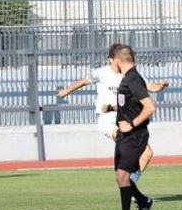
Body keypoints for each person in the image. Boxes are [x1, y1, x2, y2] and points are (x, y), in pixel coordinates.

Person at [57, 43, 168, 183]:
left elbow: (149, 86)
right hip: (107, 119)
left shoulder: (132, 75)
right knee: (122, 137)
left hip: (125, 119)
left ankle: (132, 185)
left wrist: (160, 86)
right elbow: (83, 81)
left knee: (147, 153)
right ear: (112, 59)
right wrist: (65, 92)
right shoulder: (101, 72)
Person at [112, 46, 155, 210]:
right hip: (124, 135)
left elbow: (150, 107)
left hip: (135, 135)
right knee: (122, 177)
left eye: (110, 60)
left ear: (116, 60)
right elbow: (130, 105)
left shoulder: (134, 79)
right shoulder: (127, 79)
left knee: (122, 176)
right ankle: (144, 201)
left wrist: (132, 123)